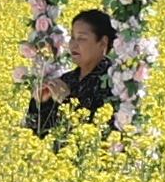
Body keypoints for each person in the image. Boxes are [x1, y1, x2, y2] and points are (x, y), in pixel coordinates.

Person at [24, 10, 115, 140]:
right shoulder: (66, 80)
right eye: (72, 37)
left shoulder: (114, 83)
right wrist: (40, 103)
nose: (73, 44)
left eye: (82, 38)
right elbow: (38, 134)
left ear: (103, 43)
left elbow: (100, 134)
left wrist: (67, 99)